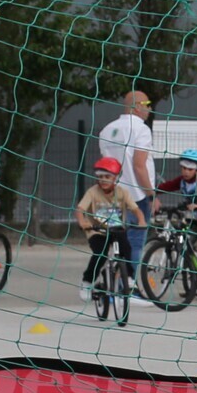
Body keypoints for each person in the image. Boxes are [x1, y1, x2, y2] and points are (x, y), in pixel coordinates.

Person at [96, 90, 157, 293]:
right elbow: (139, 165)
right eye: (147, 104)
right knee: (135, 242)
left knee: (110, 241)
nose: (149, 108)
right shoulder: (141, 129)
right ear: (136, 106)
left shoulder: (106, 130)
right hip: (134, 197)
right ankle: (127, 286)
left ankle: (106, 284)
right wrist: (151, 194)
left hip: (109, 195)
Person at [74, 157, 147, 298]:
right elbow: (80, 209)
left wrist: (141, 220)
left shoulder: (122, 192)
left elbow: (135, 209)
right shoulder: (93, 192)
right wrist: (82, 222)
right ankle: (87, 281)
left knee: (127, 249)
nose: (103, 180)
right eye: (100, 177)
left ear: (115, 178)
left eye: (108, 176)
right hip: (97, 231)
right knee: (100, 254)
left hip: (117, 230)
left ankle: (130, 279)